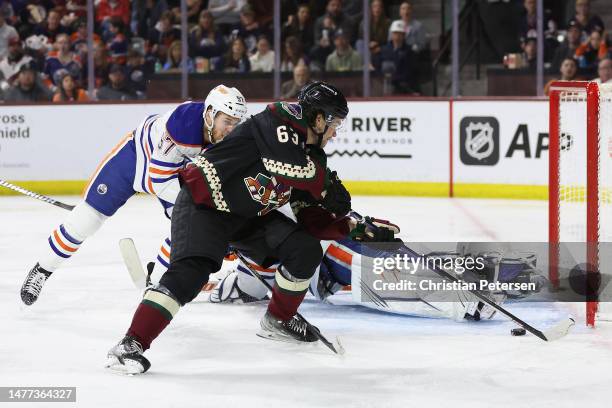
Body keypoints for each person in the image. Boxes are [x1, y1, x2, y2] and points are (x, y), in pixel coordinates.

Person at [105, 81, 351, 374]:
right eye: (335, 123)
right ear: (319, 118)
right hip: (204, 205)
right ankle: (130, 344)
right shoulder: (280, 119)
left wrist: (349, 225)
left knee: (304, 249)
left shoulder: (311, 155)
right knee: (190, 276)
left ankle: (279, 320)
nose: (335, 132)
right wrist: (324, 187)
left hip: (248, 217)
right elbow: (285, 166)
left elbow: (306, 214)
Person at [20, 85, 247, 306]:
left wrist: (218, 231)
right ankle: (42, 269)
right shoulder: (183, 123)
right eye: (226, 122)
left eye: (235, 123)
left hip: (179, 171)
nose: (230, 129)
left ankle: (157, 284)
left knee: (188, 228)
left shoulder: (231, 138)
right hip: (138, 157)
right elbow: (159, 180)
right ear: (209, 114)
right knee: (86, 219)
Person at [374, 20, 419, 94]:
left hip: (403, 88)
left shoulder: (410, 52)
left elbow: (410, 72)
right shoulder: (382, 50)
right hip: (384, 86)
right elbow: (377, 68)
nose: (397, 36)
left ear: (404, 35)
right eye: (395, 33)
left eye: (400, 33)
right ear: (391, 34)